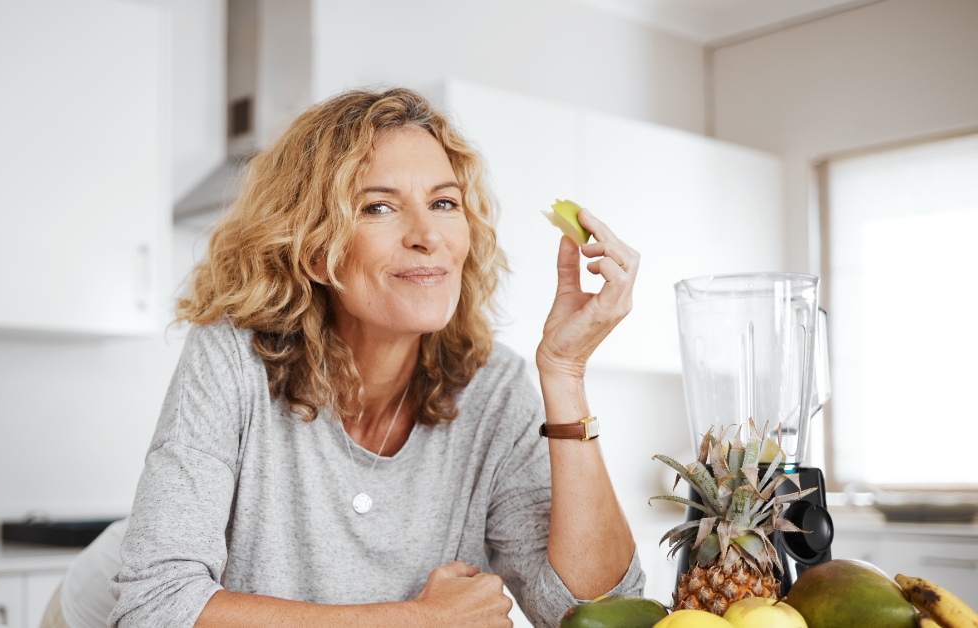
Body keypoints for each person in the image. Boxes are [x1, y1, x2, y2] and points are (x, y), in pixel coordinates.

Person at [109, 88, 643, 628]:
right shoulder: (232, 356)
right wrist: (419, 621)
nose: (428, 235)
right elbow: (156, 607)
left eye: (443, 202)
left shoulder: (495, 389)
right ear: (315, 249)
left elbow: (593, 616)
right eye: (379, 206)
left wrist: (566, 372)